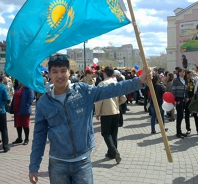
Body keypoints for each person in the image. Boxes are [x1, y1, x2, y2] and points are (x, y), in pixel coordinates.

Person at [29, 54, 152, 184]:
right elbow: (39, 136)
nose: (59, 75)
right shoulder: (44, 103)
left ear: (69, 72)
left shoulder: (83, 91)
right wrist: (34, 166)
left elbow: (111, 89)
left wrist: (139, 81)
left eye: (63, 71)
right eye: (55, 72)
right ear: (50, 74)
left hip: (83, 162)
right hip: (58, 163)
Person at [95, 66, 126, 162]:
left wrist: (97, 112)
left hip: (106, 112)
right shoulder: (116, 83)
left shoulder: (102, 84)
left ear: (105, 74)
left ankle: (114, 151)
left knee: (106, 133)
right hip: (116, 111)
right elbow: (123, 98)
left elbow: (99, 100)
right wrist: (117, 104)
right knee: (114, 133)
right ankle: (111, 153)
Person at [171, 68, 189, 138]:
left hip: (184, 99)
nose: (182, 73)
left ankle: (180, 131)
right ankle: (178, 132)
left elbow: (186, 90)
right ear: (178, 73)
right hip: (178, 99)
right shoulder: (176, 80)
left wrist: (186, 96)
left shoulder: (185, 80)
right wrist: (174, 99)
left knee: (181, 116)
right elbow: (173, 90)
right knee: (179, 115)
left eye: (183, 72)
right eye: (181, 72)